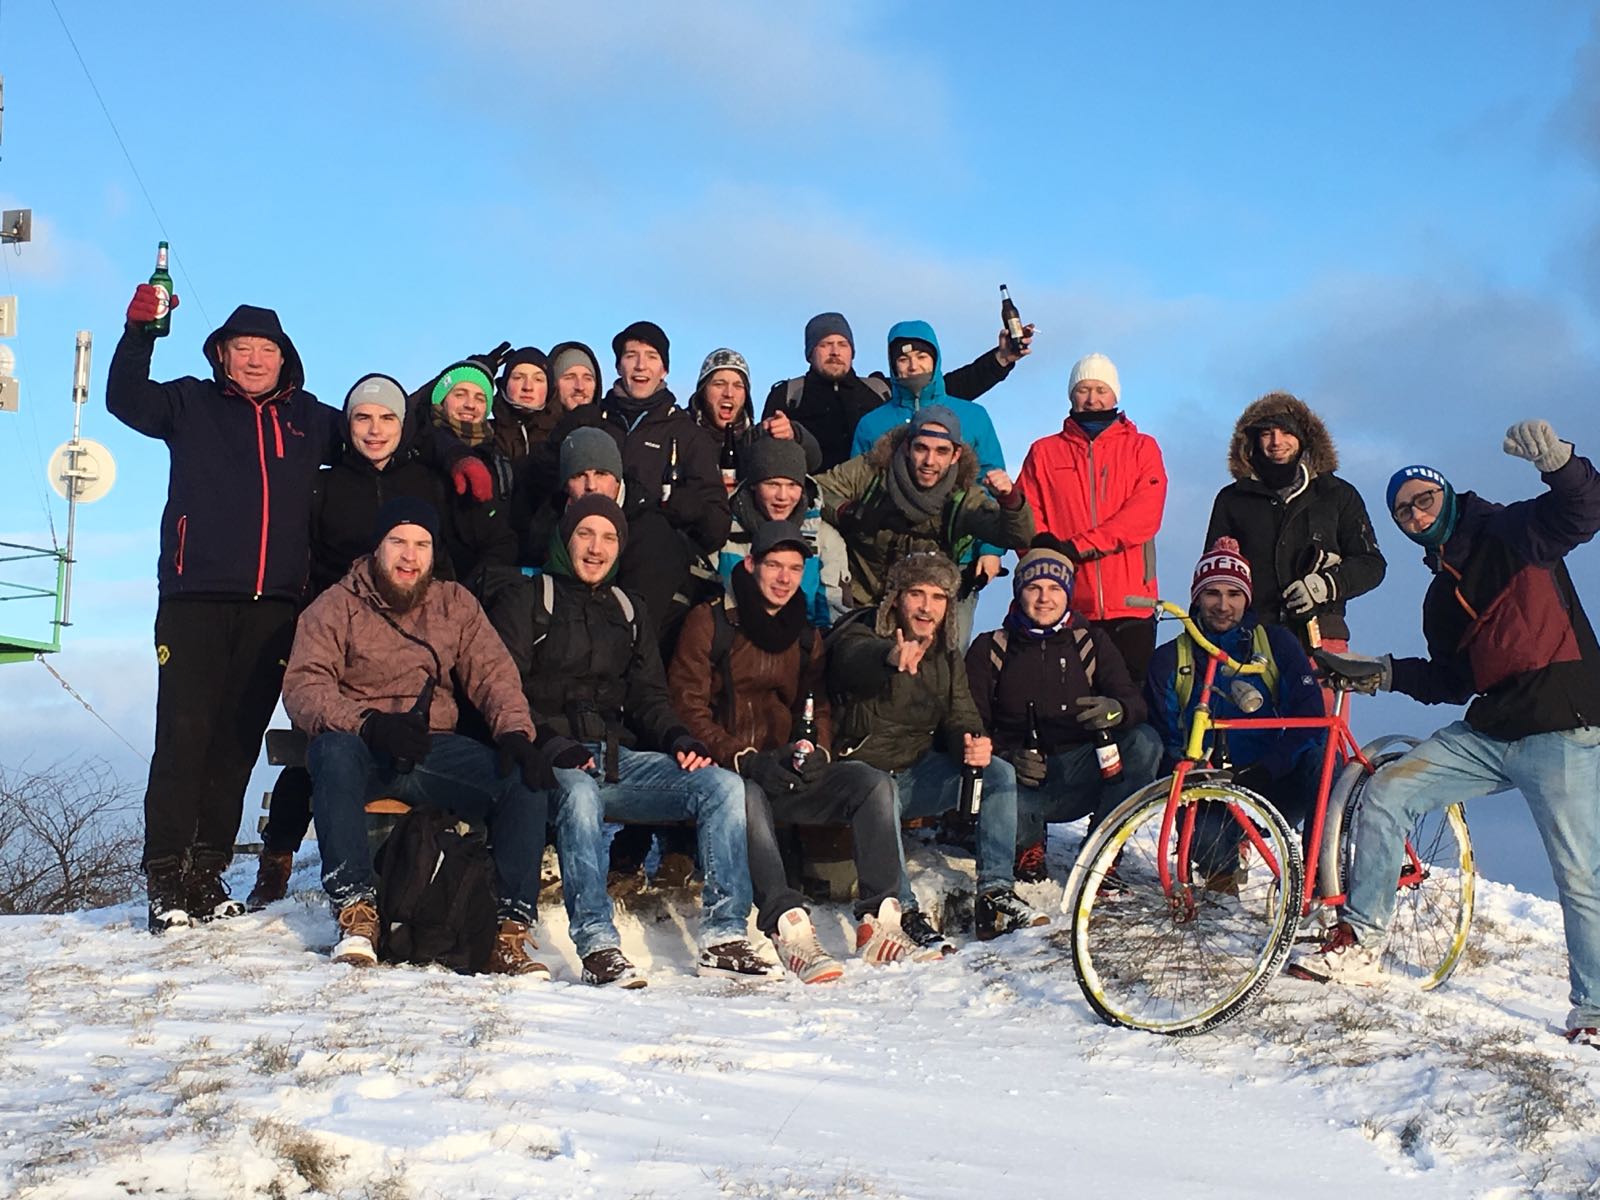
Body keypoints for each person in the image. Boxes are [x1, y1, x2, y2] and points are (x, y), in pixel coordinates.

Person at [1305, 421, 1600, 1050]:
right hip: (1490, 732)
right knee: (1386, 791)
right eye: (1403, 511)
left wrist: (1560, 462)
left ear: (1447, 496)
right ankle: (1362, 941)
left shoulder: (1513, 533)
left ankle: (1595, 1011)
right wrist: (1381, 672)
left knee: (1577, 871)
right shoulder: (1440, 597)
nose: (1415, 514)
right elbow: (1451, 679)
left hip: (1563, 725)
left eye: (1423, 499)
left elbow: (1583, 510)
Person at [109, 288, 344, 932]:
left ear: (284, 358)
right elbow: (124, 399)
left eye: (267, 349)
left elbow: (380, 427)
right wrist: (140, 332)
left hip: (276, 607)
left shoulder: (312, 420)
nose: (254, 359)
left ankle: (207, 875)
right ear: (222, 354)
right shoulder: (190, 401)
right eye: (242, 348)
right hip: (193, 599)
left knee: (238, 743)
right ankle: (165, 878)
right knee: (184, 737)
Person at [248, 373, 513, 908]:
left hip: (417, 625)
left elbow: (453, 548)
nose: (374, 429)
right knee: (323, 748)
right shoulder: (325, 484)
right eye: (363, 418)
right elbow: (301, 553)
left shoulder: (424, 479)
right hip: (339, 626)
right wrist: (325, 616)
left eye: (387, 418)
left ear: (403, 425)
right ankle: (279, 857)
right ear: (347, 426)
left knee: (449, 736)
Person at [484, 493, 766, 986]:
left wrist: (678, 737)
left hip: (616, 758)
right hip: (547, 759)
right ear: (565, 540)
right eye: (585, 535)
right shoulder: (528, 598)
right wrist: (552, 745)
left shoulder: (629, 608)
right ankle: (597, 944)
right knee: (579, 792)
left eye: (609, 537)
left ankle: (724, 935)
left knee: (721, 787)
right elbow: (504, 691)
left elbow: (649, 697)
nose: (597, 548)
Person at [280, 497, 555, 975]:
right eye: (398, 542)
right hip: (362, 744)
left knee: (522, 781)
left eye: (421, 545)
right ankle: (356, 914)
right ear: (377, 548)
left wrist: (514, 732)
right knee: (334, 754)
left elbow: (494, 675)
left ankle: (507, 931)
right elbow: (305, 687)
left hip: (432, 748)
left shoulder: (454, 604)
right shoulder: (335, 605)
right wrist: (367, 722)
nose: (409, 556)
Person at [670, 520, 904, 979]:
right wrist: (743, 757)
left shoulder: (805, 633)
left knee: (872, 784)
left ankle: (879, 918)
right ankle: (788, 926)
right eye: (774, 565)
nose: (783, 578)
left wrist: (819, 749)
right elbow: (688, 707)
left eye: (794, 568)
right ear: (751, 564)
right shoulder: (710, 621)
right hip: (727, 769)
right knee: (745, 795)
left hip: (785, 765)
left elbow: (817, 706)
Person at [829, 552, 1048, 946]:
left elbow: (961, 714)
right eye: (916, 593)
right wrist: (889, 657)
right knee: (880, 791)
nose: (927, 607)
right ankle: (902, 909)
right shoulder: (864, 631)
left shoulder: (947, 654)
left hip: (915, 772)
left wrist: (972, 742)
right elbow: (850, 661)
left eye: (939, 597)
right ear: (896, 597)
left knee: (998, 772)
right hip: (860, 779)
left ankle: (996, 895)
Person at [966, 544, 1161, 883]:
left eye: (1055, 588)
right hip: (1021, 778)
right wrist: (1007, 756)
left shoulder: (1091, 642)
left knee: (1145, 742)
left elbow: (1135, 703)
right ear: (1019, 592)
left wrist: (1117, 710)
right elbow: (971, 724)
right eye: (1034, 587)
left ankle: (1104, 847)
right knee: (994, 770)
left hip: (1083, 768)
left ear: (1068, 593)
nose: (1045, 598)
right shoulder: (990, 648)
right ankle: (1027, 846)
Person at [1145, 537, 1325, 887]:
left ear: (1248, 599)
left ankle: (1321, 869)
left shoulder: (1276, 644)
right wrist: (1189, 772)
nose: (1223, 605)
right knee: (1206, 838)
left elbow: (1310, 719)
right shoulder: (1170, 659)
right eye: (1213, 593)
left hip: (1273, 782)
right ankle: (1221, 878)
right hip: (1209, 791)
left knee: (1323, 758)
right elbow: (1161, 735)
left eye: (1234, 594)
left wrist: (1268, 768)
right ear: (1196, 597)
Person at [1017, 352, 1168, 682]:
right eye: (1083, 389)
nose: (1092, 399)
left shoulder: (1143, 448)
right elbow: (1026, 518)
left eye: (1101, 389)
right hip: (1066, 605)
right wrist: (1047, 561)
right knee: (1067, 702)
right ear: (1071, 395)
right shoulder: (1044, 452)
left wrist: (1074, 548)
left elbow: (1143, 517)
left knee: (1131, 703)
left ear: (1116, 394)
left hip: (1131, 605)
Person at [849, 321, 1017, 617]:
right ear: (892, 365)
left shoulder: (973, 416)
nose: (913, 366)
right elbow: (857, 489)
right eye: (903, 359)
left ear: (936, 359)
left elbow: (991, 486)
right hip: (884, 565)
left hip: (957, 559)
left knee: (949, 654)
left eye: (922, 357)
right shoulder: (871, 423)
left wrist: (990, 551)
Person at [1204, 392, 1386, 663]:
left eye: (1286, 431)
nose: (1277, 441)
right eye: (1267, 433)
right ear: (1253, 440)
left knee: (1315, 709)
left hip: (1322, 641)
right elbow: (1209, 574)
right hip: (1249, 641)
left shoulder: (1337, 494)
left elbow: (1372, 565)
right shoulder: (1232, 499)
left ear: (1303, 437)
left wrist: (1325, 585)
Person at [818, 406, 1034, 612]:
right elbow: (813, 489)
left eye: (942, 451)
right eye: (921, 448)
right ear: (907, 446)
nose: (929, 461)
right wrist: (848, 511)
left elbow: (1018, 537)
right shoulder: (872, 470)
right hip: (859, 601)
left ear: (955, 455)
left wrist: (1011, 500)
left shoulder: (963, 496)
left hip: (923, 611)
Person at [761, 311, 1031, 472]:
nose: (835, 351)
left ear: (852, 351)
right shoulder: (788, 395)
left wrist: (1001, 359)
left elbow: (946, 387)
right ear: (809, 352)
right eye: (825, 344)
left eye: (842, 343)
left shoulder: (878, 391)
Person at [717, 436, 851, 629]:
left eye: (792, 486)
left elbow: (834, 616)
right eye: (772, 484)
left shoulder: (825, 540)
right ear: (754, 484)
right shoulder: (724, 530)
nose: (782, 497)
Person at [688, 347, 820, 481]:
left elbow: (814, 460)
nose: (728, 393)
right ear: (703, 391)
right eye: (719, 384)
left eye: (738, 386)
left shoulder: (756, 440)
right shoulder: (680, 434)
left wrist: (795, 434)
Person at [490, 346, 561, 464]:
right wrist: (473, 374)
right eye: (518, 378)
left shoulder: (563, 435)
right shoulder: (486, 433)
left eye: (538, 379)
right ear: (505, 384)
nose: (528, 387)